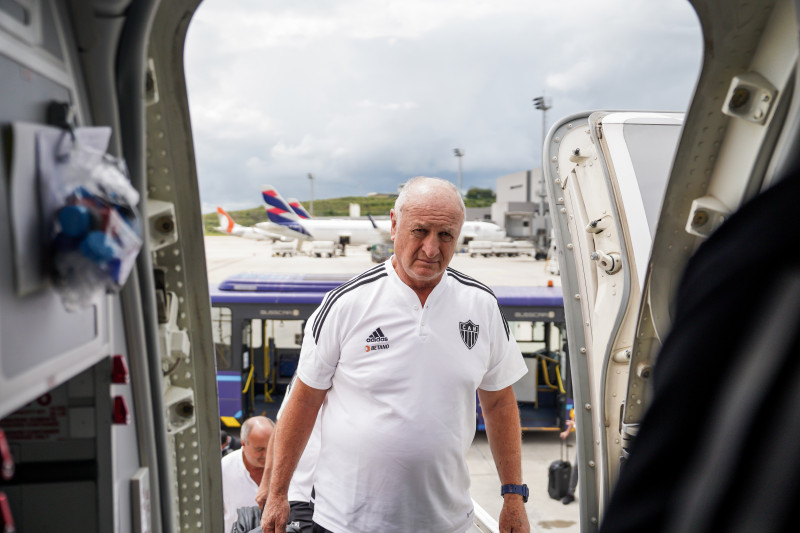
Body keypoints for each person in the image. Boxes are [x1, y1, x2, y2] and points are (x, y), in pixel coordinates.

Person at [262, 176, 531, 533]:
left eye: (446, 235)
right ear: (393, 225)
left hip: (446, 523)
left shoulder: (481, 306)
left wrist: (513, 495)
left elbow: (498, 403)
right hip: (346, 523)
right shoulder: (346, 304)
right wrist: (279, 493)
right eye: (420, 231)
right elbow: (304, 401)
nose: (432, 249)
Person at [256, 375, 321, 533]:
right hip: (301, 493)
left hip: (340, 499)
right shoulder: (303, 372)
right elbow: (280, 426)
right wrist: (267, 484)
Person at [222, 416, 274, 533]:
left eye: (271, 447)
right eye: (260, 449)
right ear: (243, 443)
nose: (267, 454)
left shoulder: (291, 466)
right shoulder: (223, 470)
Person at [558, 407, 578, 505]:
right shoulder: (577, 405)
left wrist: (573, 424)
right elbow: (574, 419)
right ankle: (570, 493)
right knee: (576, 467)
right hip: (581, 444)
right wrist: (567, 432)